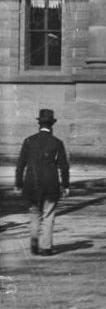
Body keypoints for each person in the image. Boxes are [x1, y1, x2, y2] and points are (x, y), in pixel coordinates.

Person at [14, 108, 71, 257]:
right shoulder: (57, 143)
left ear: (39, 124)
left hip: (31, 183)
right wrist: (65, 185)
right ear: (52, 125)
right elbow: (64, 166)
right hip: (50, 184)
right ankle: (46, 247)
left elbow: (21, 164)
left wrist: (18, 184)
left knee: (34, 214)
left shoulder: (28, 141)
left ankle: (34, 244)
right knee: (48, 215)